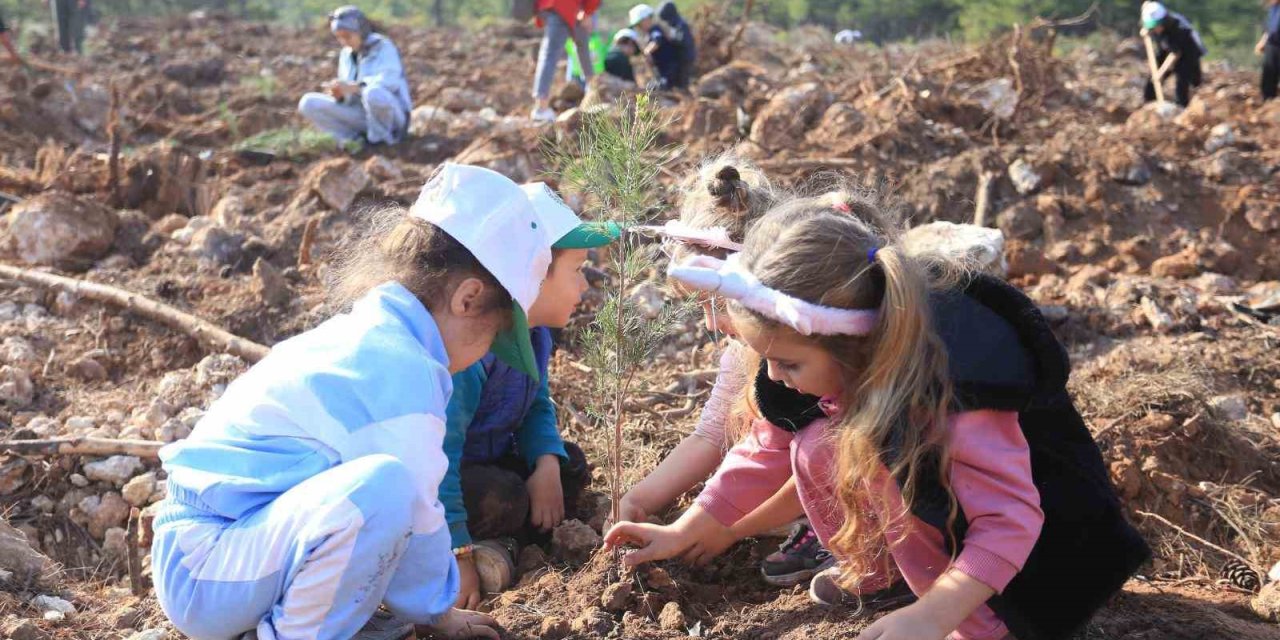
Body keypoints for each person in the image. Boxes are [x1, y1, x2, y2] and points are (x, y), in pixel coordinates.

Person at [607, 190, 1151, 640]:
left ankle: (971, 619)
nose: (772, 376)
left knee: (873, 464)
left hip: (1047, 562)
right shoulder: (827, 355)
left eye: (787, 362)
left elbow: (1010, 522)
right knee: (815, 446)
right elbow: (767, 445)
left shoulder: (956, 394)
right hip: (954, 524)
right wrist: (689, 527)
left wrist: (936, 615)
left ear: (850, 346)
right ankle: (887, 575)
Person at [150, 164, 566, 640]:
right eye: (495, 335)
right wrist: (438, 608)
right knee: (384, 487)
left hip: (226, 554)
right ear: (468, 299)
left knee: (383, 491)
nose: (489, 350)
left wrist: (430, 610)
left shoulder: (377, 332)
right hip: (208, 569)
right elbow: (421, 510)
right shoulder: (400, 370)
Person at [618, 157, 833, 588]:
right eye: (703, 306)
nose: (711, 324)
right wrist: (639, 499)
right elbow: (713, 435)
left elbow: (820, 456)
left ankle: (842, 534)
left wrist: (733, 528)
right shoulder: (744, 349)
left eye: (717, 305)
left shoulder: (822, 346)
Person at [445, 184, 622, 608]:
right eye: (576, 269)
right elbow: (440, 457)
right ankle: (488, 549)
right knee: (505, 496)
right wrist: (458, 553)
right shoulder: (473, 352)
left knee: (568, 465)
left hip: (492, 458)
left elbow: (535, 405)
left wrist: (544, 463)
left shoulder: (536, 335)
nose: (583, 285)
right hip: (446, 481)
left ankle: (511, 536)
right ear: (534, 272)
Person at [297, 6, 412, 148]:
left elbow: (390, 80)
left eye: (347, 36)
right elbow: (350, 95)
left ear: (361, 31)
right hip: (364, 115)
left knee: (373, 93)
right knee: (308, 103)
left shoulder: (383, 47)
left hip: (392, 117)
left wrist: (357, 86)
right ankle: (354, 141)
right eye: (339, 37)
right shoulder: (346, 54)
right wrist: (341, 95)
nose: (343, 41)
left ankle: (382, 141)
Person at [530, 0, 599, 122]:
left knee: (582, 43)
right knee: (550, 55)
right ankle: (541, 108)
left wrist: (586, 13)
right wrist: (588, 12)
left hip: (553, 7)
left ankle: (593, 91)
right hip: (561, 7)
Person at [1140, 1, 1206, 107]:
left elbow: (1175, 53)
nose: (1156, 29)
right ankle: (1149, 104)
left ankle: (1181, 109)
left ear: (1164, 21)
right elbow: (1145, 5)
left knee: (1183, 83)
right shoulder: (1154, 18)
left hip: (1187, 51)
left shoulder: (1177, 28)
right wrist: (1146, 29)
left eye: (1156, 26)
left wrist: (1160, 73)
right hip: (1167, 48)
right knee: (1152, 79)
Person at [629, 4, 681, 91]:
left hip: (668, 67)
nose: (639, 27)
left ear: (646, 20)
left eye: (639, 24)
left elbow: (657, 41)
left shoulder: (655, 30)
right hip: (662, 69)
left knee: (666, 87)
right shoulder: (649, 33)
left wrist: (647, 51)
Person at [658, 2, 696, 90]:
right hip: (680, 58)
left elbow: (684, 41)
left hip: (685, 58)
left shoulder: (681, 25)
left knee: (683, 83)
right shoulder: (674, 24)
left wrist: (670, 39)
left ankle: (686, 99)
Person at [1259, 0, 1280, 101]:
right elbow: (1270, 29)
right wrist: (1263, 41)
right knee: (1269, 72)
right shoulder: (1273, 9)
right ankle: (1268, 98)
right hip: (1272, 44)